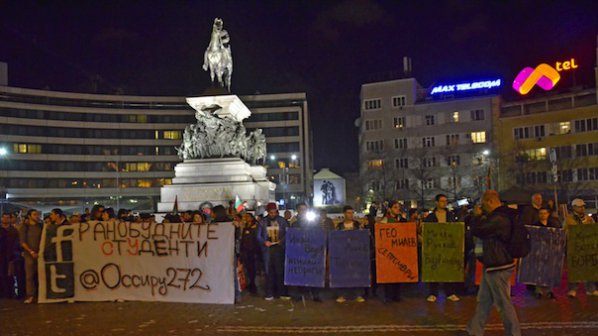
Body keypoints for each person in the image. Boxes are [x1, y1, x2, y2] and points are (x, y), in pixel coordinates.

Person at [467, 190, 521, 336]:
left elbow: (478, 230)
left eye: (483, 204)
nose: (482, 207)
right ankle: (475, 330)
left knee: (503, 303)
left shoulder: (499, 218)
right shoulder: (500, 216)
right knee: (484, 300)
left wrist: (477, 216)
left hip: (498, 265)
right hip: (492, 264)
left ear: (490, 201)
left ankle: (514, 333)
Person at [423, 194, 460, 302]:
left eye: (445, 201)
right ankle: (433, 292)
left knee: (448, 268)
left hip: (448, 247)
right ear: (437, 203)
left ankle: (450, 292)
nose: (444, 203)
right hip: (435, 247)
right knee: (434, 268)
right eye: (442, 201)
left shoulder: (450, 215)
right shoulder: (431, 217)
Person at [563, 198, 597, 298]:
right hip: (575, 248)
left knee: (589, 269)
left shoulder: (589, 219)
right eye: (579, 206)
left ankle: (591, 288)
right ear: (574, 207)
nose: (582, 208)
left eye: (583, 206)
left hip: (587, 248)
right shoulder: (569, 220)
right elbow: (565, 232)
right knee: (575, 269)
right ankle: (572, 289)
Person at [257, 202, 290, 300]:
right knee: (268, 271)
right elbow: (258, 236)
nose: (272, 214)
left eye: (274, 212)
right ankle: (269, 293)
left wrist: (282, 241)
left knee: (280, 271)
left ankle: (281, 292)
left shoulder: (282, 221)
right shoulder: (262, 222)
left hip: (279, 249)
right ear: (267, 212)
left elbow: (288, 233)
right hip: (267, 250)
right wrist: (264, 242)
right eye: (271, 212)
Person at [291, 203, 323, 302]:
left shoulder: (314, 223)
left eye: (305, 209)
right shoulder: (295, 224)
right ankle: (300, 294)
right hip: (300, 252)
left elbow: (319, 235)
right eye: (301, 210)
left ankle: (315, 294)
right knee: (300, 272)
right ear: (298, 211)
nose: (303, 211)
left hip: (312, 252)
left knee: (313, 272)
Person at [335, 205, 366, 303]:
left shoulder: (357, 225)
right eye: (349, 213)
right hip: (343, 254)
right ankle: (342, 294)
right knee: (343, 274)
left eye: (352, 213)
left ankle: (358, 294)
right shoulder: (339, 226)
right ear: (344, 214)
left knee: (356, 274)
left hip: (355, 254)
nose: (351, 215)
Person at [530, 208, 560, 299]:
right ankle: (538, 290)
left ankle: (549, 291)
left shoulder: (553, 225)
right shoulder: (535, 225)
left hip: (550, 251)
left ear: (548, 214)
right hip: (539, 251)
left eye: (544, 213)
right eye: (541, 213)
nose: (543, 215)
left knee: (549, 271)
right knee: (538, 270)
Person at [380, 200, 406, 303]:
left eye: (398, 207)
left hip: (399, 250)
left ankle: (396, 295)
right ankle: (388, 295)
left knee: (398, 273)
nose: (398, 209)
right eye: (395, 207)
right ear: (390, 209)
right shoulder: (384, 221)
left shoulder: (403, 221)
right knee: (388, 274)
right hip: (388, 251)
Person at [18, 209, 43, 304]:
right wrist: (31, 251)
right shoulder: (25, 227)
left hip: (40, 254)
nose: (37, 216)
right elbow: (22, 241)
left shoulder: (41, 226)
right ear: (29, 216)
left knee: (41, 275)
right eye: (34, 214)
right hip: (29, 255)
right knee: (29, 276)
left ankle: (40, 294)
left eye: (37, 214)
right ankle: (30, 295)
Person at [0, 212, 20, 298]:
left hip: (10, 255)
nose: (5, 219)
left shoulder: (14, 231)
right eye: (4, 217)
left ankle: (9, 292)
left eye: (7, 218)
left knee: (10, 275)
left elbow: (16, 242)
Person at [240, 212, 259, 294]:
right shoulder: (244, 227)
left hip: (253, 251)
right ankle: (249, 283)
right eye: (245, 217)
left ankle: (253, 284)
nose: (246, 218)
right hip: (245, 251)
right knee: (247, 268)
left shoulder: (255, 227)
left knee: (252, 269)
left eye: (248, 217)